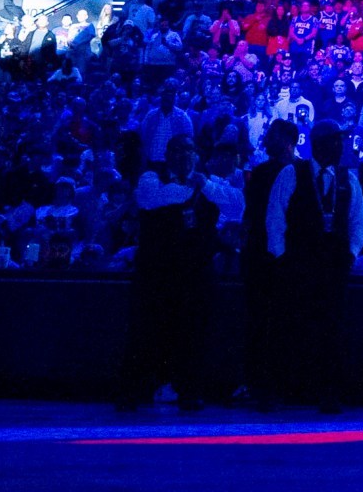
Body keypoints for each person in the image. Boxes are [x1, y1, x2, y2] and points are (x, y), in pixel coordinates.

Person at [120, 138, 223, 412]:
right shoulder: (152, 177)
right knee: (146, 331)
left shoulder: (210, 182)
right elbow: (152, 200)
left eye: (187, 150)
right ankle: (134, 390)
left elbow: (236, 204)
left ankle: (189, 391)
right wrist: (193, 186)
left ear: (196, 155)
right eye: (175, 150)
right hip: (157, 270)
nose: (181, 155)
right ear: (166, 155)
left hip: (195, 271)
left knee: (192, 334)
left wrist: (206, 186)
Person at [283, 120, 363, 413]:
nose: (340, 146)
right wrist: (283, 256)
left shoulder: (348, 178)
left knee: (333, 327)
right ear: (319, 143)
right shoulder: (292, 173)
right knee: (300, 323)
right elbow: (276, 217)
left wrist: (351, 253)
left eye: (341, 141)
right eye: (335, 141)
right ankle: (298, 387)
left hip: (334, 263)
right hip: (301, 261)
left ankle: (329, 389)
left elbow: (359, 222)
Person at [239, 120, 299, 409]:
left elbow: (252, 217)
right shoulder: (269, 171)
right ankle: (269, 382)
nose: (267, 139)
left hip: (269, 255)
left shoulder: (275, 172)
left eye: (273, 135)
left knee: (265, 321)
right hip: (268, 256)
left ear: (287, 140)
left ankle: (264, 382)